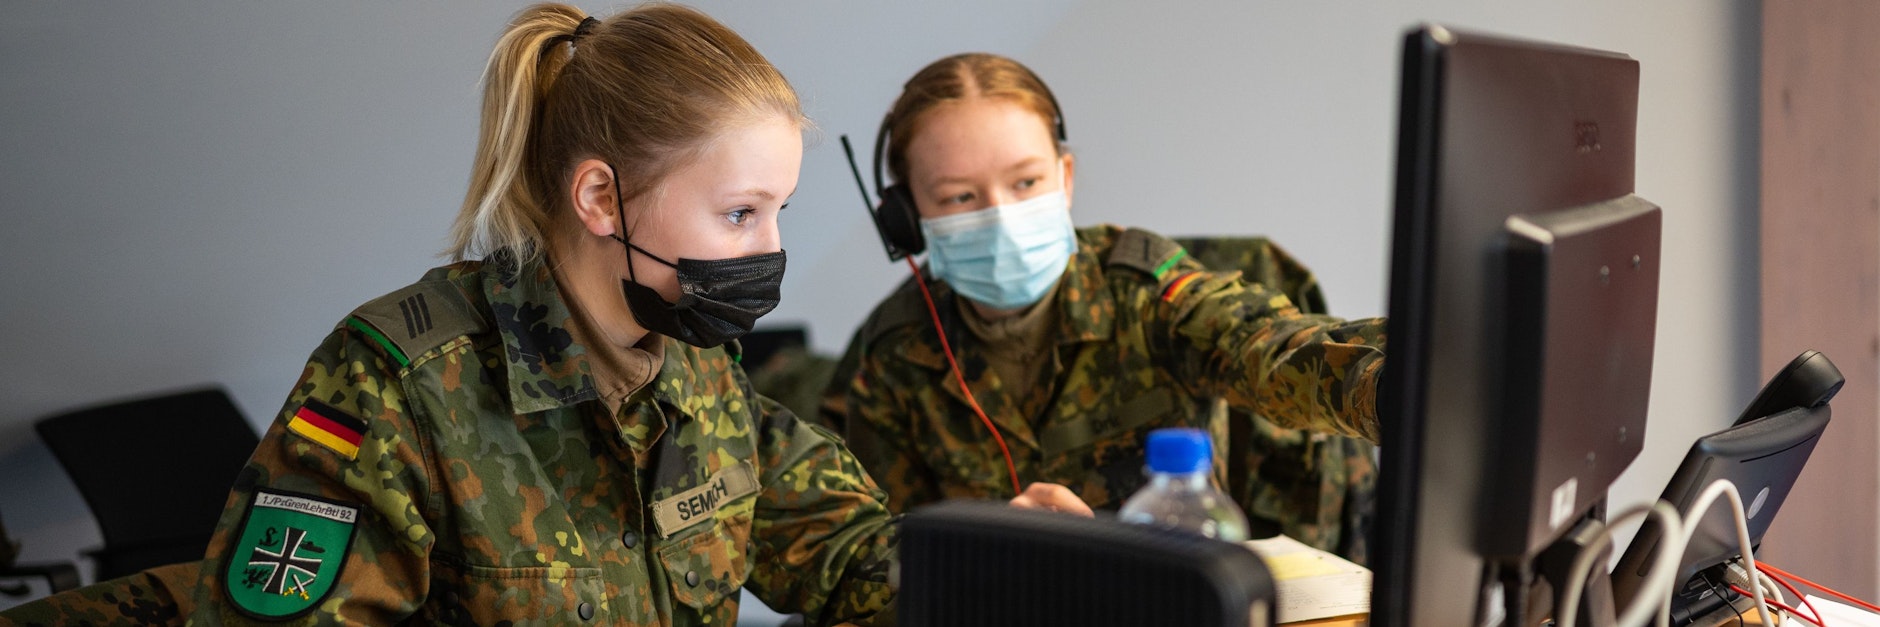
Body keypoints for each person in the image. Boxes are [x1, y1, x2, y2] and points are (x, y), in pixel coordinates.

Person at [4, 7, 1089, 626]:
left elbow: (842, 552)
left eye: (779, 212)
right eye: (738, 212)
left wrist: (1001, 563)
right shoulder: (401, 379)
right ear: (602, 199)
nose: (769, 248)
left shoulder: (689, 367)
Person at [819, 53, 1387, 543]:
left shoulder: (1142, 293)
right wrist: (988, 552)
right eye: (961, 196)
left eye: (1025, 183)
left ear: (1065, 178)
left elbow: (1276, 350)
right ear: (906, 221)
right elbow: (881, 552)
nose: (1003, 217)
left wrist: (1406, 381)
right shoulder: (895, 355)